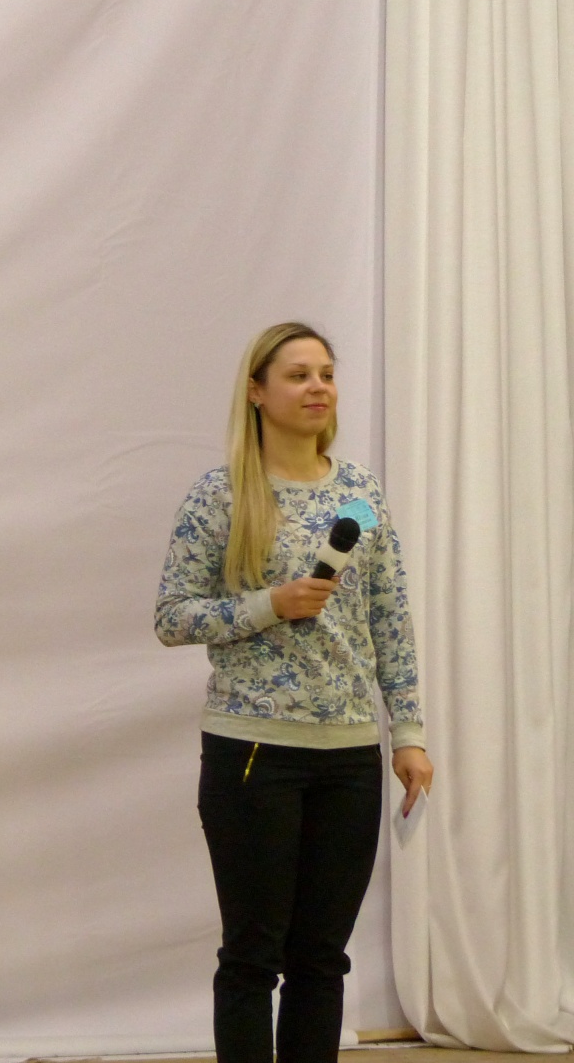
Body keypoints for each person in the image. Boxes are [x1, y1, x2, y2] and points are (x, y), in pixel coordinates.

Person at [155, 322, 434, 1063]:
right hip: (253, 754)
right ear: (257, 392)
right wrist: (267, 605)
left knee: (322, 959)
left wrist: (408, 734)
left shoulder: (360, 496)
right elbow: (171, 616)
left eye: (327, 374)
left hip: (349, 758)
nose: (318, 388)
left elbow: (389, 617)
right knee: (253, 957)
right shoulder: (220, 495)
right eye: (299, 375)